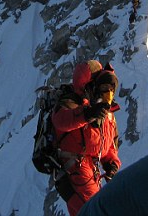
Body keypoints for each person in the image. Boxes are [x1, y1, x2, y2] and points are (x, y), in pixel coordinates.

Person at [52, 60, 121, 216]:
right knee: (97, 211)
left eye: (111, 89)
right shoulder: (72, 102)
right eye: (104, 89)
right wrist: (87, 114)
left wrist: (111, 164)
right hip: (75, 170)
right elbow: (60, 120)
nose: (108, 94)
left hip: (91, 173)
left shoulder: (106, 114)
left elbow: (108, 144)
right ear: (92, 86)